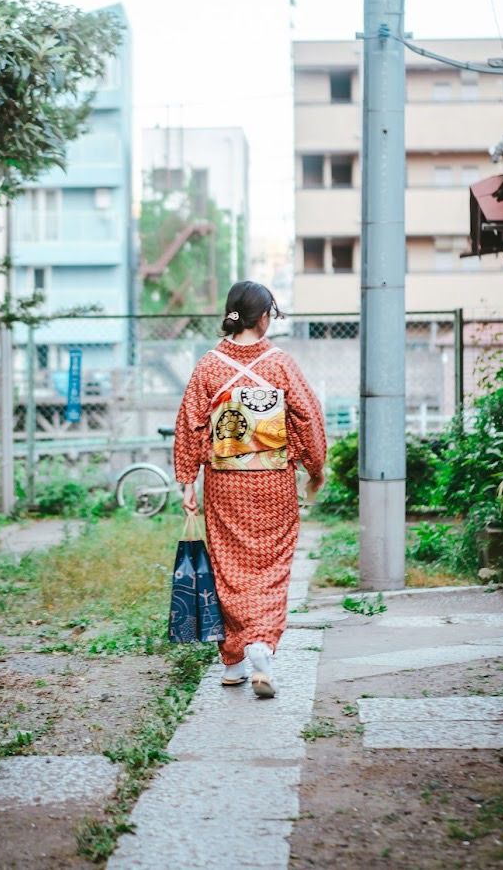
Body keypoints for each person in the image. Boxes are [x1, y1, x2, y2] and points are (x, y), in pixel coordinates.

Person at [173, 280, 326, 698]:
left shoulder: (208, 364)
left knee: (229, 569)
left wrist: (188, 480)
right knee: (271, 566)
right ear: (263, 318)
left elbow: (190, 423)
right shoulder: (280, 363)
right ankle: (260, 648)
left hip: (224, 482)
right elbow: (308, 418)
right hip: (273, 481)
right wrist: (315, 466)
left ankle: (235, 661)